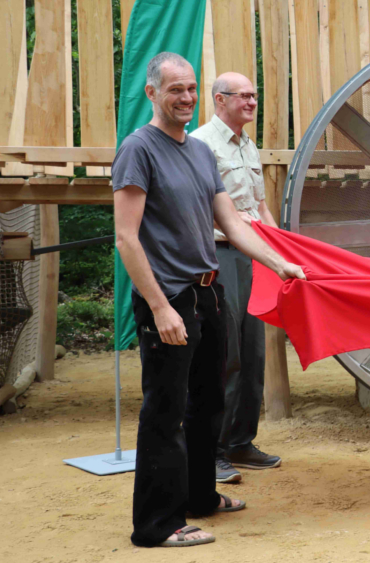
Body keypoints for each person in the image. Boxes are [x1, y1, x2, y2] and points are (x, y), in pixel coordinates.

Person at [113, 52, 305, 547]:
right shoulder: (139, 149)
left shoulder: (200, 153)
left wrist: (278, 260)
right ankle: (156, 525)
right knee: (165, 409)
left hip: (207, 293)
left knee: (207, 404)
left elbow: (234, 221)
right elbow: (127, 239)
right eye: (175, 89)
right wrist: (158, 306)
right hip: (169, 297)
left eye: (191, 88)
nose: (186, 98)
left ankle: (200, 497)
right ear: (152, 92)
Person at [191, 72, 280, 484]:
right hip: (218, 252)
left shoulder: (247, 145)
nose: (251, 102)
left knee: (252, 349)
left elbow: (259, 207)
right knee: (223, 352)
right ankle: (212, 451)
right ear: (219, 100)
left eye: (254, 96)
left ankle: (241, 441)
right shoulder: (201, 145)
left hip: (252, 255)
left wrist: (281, 253)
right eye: (243, 96)